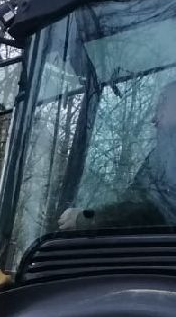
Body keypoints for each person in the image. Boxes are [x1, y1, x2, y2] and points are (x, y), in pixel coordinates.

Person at [60, 79, 176, 230]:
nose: (154, 118)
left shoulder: (168, 155)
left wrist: (89, 219)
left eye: (162, 104)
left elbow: (154, 211)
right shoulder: (159, 157)